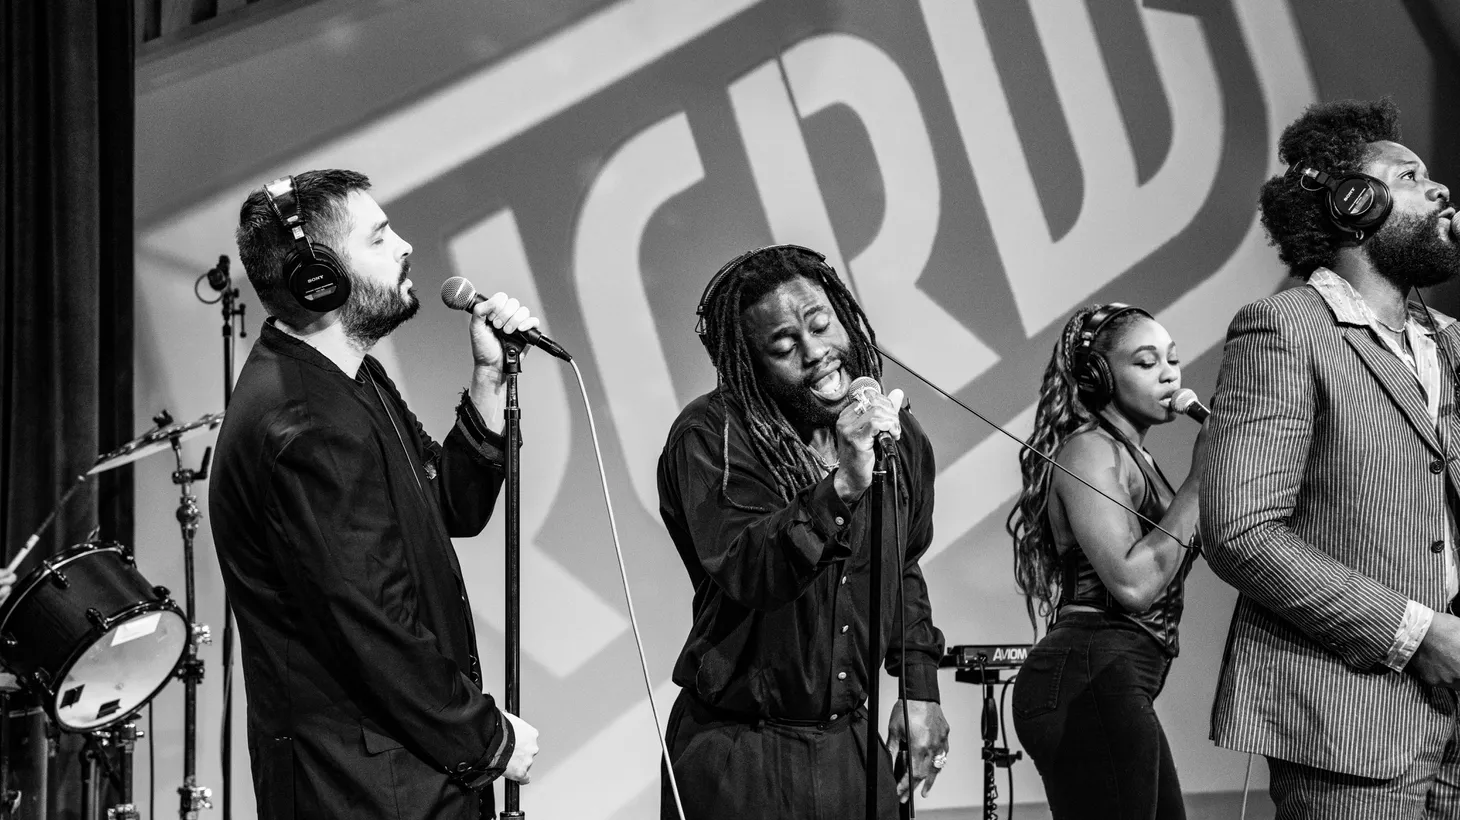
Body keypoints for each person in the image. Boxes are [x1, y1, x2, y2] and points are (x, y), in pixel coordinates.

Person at [210, 169, 541, 820]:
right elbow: (372, 628)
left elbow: (450, 504)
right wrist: (486, 735)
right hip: (370, 792)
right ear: (318, 279)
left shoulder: (348, 381)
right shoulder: (309, 426)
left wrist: (490, 380)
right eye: (380, 237)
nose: (406, 246)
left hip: (401, 775)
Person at [1202, 98, 1460, 818]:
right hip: (1354, 731)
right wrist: (1417, 635)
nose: (1441, 189)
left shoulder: (1451, 343)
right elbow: (1241, 533)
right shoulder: (1285, 329)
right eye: (1411, 176)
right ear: (1356, 203)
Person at [656, 244, 950, 819]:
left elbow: (903, 560)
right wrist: (842, 485)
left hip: (850, 747)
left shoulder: (895, 435)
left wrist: (919, 688)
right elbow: (752, 566)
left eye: (821, 325)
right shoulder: (710, 435)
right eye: (784, 346)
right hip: (742, 754)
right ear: (751, 362)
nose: (816, 353)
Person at [1006, 304, 1203, 820]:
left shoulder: (1141, 461)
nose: (1169, 374)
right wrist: (1204, 477)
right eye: (1146, 362)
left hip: (1115, 678)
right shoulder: (1090, 450)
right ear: (1098, 376)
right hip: (1087, 677)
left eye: (1173, 360)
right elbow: (1133, 584)